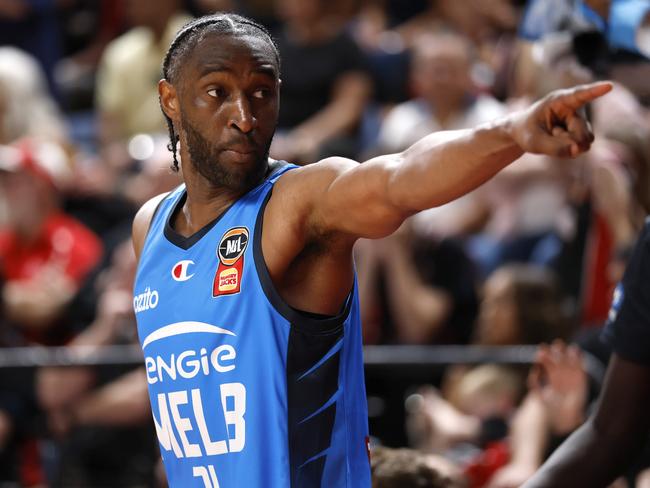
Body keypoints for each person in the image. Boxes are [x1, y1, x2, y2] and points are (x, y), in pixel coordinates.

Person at [131, 12, 611, 487]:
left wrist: (511, 133)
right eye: (217, 92)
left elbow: (399, 177)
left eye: (262, 93)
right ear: (170, 99)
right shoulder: (149, 228)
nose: (244, 116)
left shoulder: (297, 203)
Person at [522, 218, 650, 487]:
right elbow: (536, 401)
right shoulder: (593, 341)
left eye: (622, 283)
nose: (614, 293)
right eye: (610, 281)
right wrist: (523, 462)